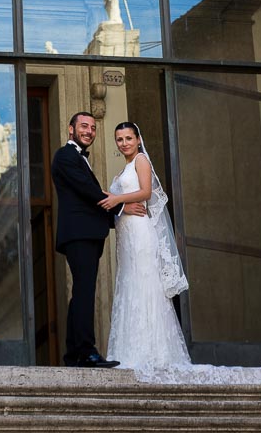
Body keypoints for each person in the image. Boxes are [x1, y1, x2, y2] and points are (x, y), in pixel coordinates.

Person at [51, 111, 147, 368]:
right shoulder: (65, 156)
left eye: (93, 128)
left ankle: (74, 354)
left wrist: (114, 217)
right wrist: (121, 209)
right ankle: (86, 351)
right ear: (70, 130)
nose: (89, 131)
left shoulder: (78, 158)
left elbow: (90, 195)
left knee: (81, 292)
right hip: (79, 233)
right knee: (84, 291)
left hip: (87, 232)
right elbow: (88, 191)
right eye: (83, 126)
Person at [98, 121, 190, 381]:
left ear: (138, 139)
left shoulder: (141, 161)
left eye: (128, 138)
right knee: (129, 284)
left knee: (144, 284)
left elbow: (146, 192)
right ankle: (130, 350)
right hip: (126, 237)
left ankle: (156, 353)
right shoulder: (125, 168)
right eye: (119, 139)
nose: (124, 143)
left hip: (140, 234)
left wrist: (116, 199)